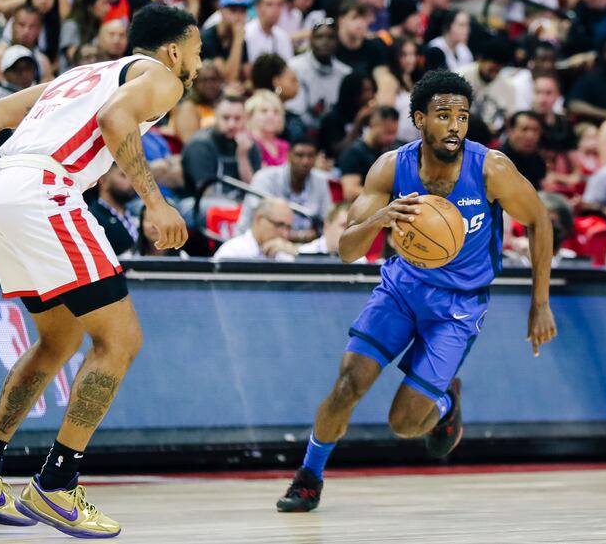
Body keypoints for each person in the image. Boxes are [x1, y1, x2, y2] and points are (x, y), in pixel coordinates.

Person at [0, 5, 201, 537]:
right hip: (46, 192)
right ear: (172, 50)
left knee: (58, 341)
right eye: (197, 50)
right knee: (120, 341)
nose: (199, 62)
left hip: (0, 192)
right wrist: (156, 204)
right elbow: (114, 121)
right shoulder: (162, 77)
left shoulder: (79, 74)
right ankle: (57, 483)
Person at [275, 69, 557, 512]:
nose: (455, 126)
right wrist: (378, 219)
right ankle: (309, 476)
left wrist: (540, 303)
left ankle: (445, 403)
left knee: (405, 424)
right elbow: (348, 250)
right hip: (403, 289)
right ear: (420, 119)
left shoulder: (492, 169)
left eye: (462, 116)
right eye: (443, 116)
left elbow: (540, 220)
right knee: (349, 383)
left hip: (459, 306)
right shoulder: (391, 168)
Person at [235, 137, 332, 240]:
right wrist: (300, 236)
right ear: (289, 155)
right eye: (299, 155)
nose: (305, 161)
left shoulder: (320, 181)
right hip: (256, 244)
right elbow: (263, 227)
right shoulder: (265, 178)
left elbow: (327, 220)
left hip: (298, 247)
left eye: (310, 156)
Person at [213, 197, 297, 260]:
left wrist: (295, 253)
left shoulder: (285, 253)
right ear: (259, 219)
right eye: (279, 225)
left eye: (288, 228)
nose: (285, 233)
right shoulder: (233, 252)